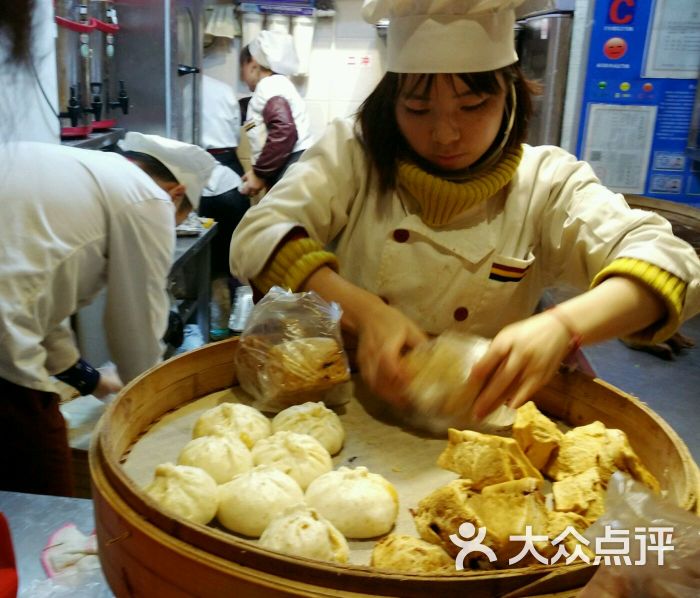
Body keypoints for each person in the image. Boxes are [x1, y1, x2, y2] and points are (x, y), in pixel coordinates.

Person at [229, 0, 700, 422]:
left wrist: (563, 326)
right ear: (390, 106)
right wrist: (365, 312)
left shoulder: (547, 182)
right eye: (417, 109)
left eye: (473, 105)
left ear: (511, 94)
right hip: (351, 407)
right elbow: (259, 234)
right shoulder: (355, 156)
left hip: (484, 419)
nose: (445, 135)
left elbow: (674, 266)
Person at [0, 131, 214, 497]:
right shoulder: (150, 200)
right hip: (5, 335)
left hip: (10, 316)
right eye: (180, 219)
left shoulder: (81, 168)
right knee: (44, 478)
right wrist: (150, 415)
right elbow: (136, 327)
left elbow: (42, 303)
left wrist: (93, 382)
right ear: (176, 193)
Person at [238, 30, 313, 197]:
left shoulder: (269, 86)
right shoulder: (277, 85)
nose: (242, 77)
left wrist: (259, 174)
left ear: (253, 64)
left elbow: (284, 131)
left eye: (242, 68)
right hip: (292, 170)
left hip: (288, 171)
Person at [201, 73, 245, 176]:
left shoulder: (182, 88)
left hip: (196, 160)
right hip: (228, 159)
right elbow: (236, 130)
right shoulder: (225, 88)